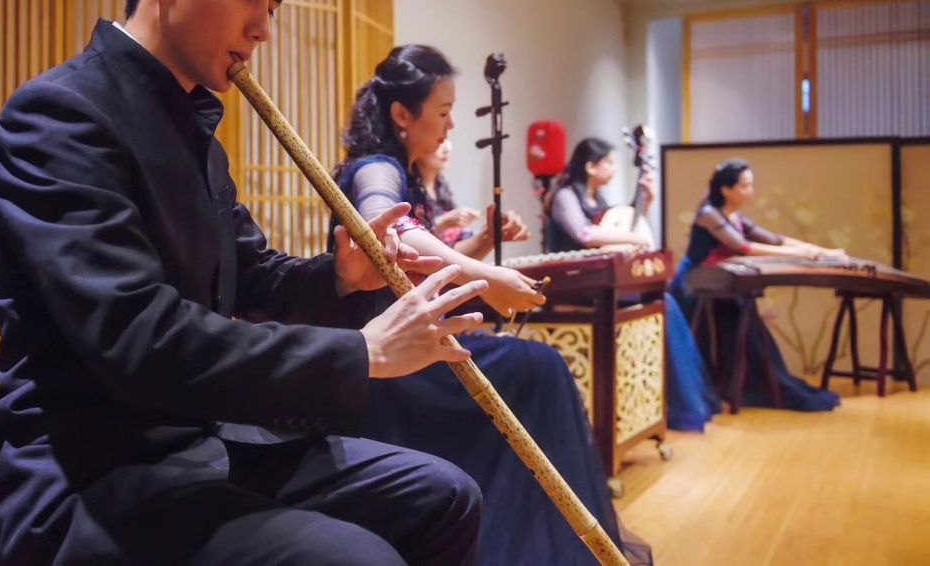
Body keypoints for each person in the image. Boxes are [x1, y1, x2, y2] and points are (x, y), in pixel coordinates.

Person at [0, 0, 492, 564]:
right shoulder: (60, 117)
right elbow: (139, 337)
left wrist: (340, 277)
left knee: (444, 495)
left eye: (273, 4)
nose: (264, 28)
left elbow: (252, 276)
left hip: (208, 444)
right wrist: (361, 353)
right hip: (93, 474)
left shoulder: (194, 130)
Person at [330, 45, 650, 566]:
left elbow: (419, 266)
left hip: (417, 345)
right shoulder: (377, 168)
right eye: (443, 112)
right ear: (402, 115)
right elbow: (389, 228)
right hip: (391, 358)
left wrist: (482, 244)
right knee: (540, 369)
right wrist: (486, 277)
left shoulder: (402, 169)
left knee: (538, 369)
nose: (450, 125)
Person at [545, 137, 719, 432]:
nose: (614, 168)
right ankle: (672, 405)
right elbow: (586, 235)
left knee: (664, 303)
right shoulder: (565, 196)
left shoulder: (598, 200)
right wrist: (633, 238)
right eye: (609, 162)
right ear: (590, 167)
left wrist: (645, 201)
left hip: (601, 284)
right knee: (664, 304)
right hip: (574, 284)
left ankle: (664, 405)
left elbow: (619, 231)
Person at [669, 159, 844, 412]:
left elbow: (775, 240)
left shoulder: (735, 216)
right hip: (695, 287)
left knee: (749, 326)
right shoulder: (708, 214)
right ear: (726, 190)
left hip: (722, 284)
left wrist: (820, 251)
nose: (750, 191)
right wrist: (801, 255)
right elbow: (744, 247)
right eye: (744, 186)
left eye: (750, 185)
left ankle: (757, 383)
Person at [416, 138, 530, 257]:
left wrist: (493, 228)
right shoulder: (409, 189)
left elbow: (457, 241)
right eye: (440, 140)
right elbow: (416, 245)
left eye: (447, 139)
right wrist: (443, 223)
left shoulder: (440, 186)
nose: (447, 149)